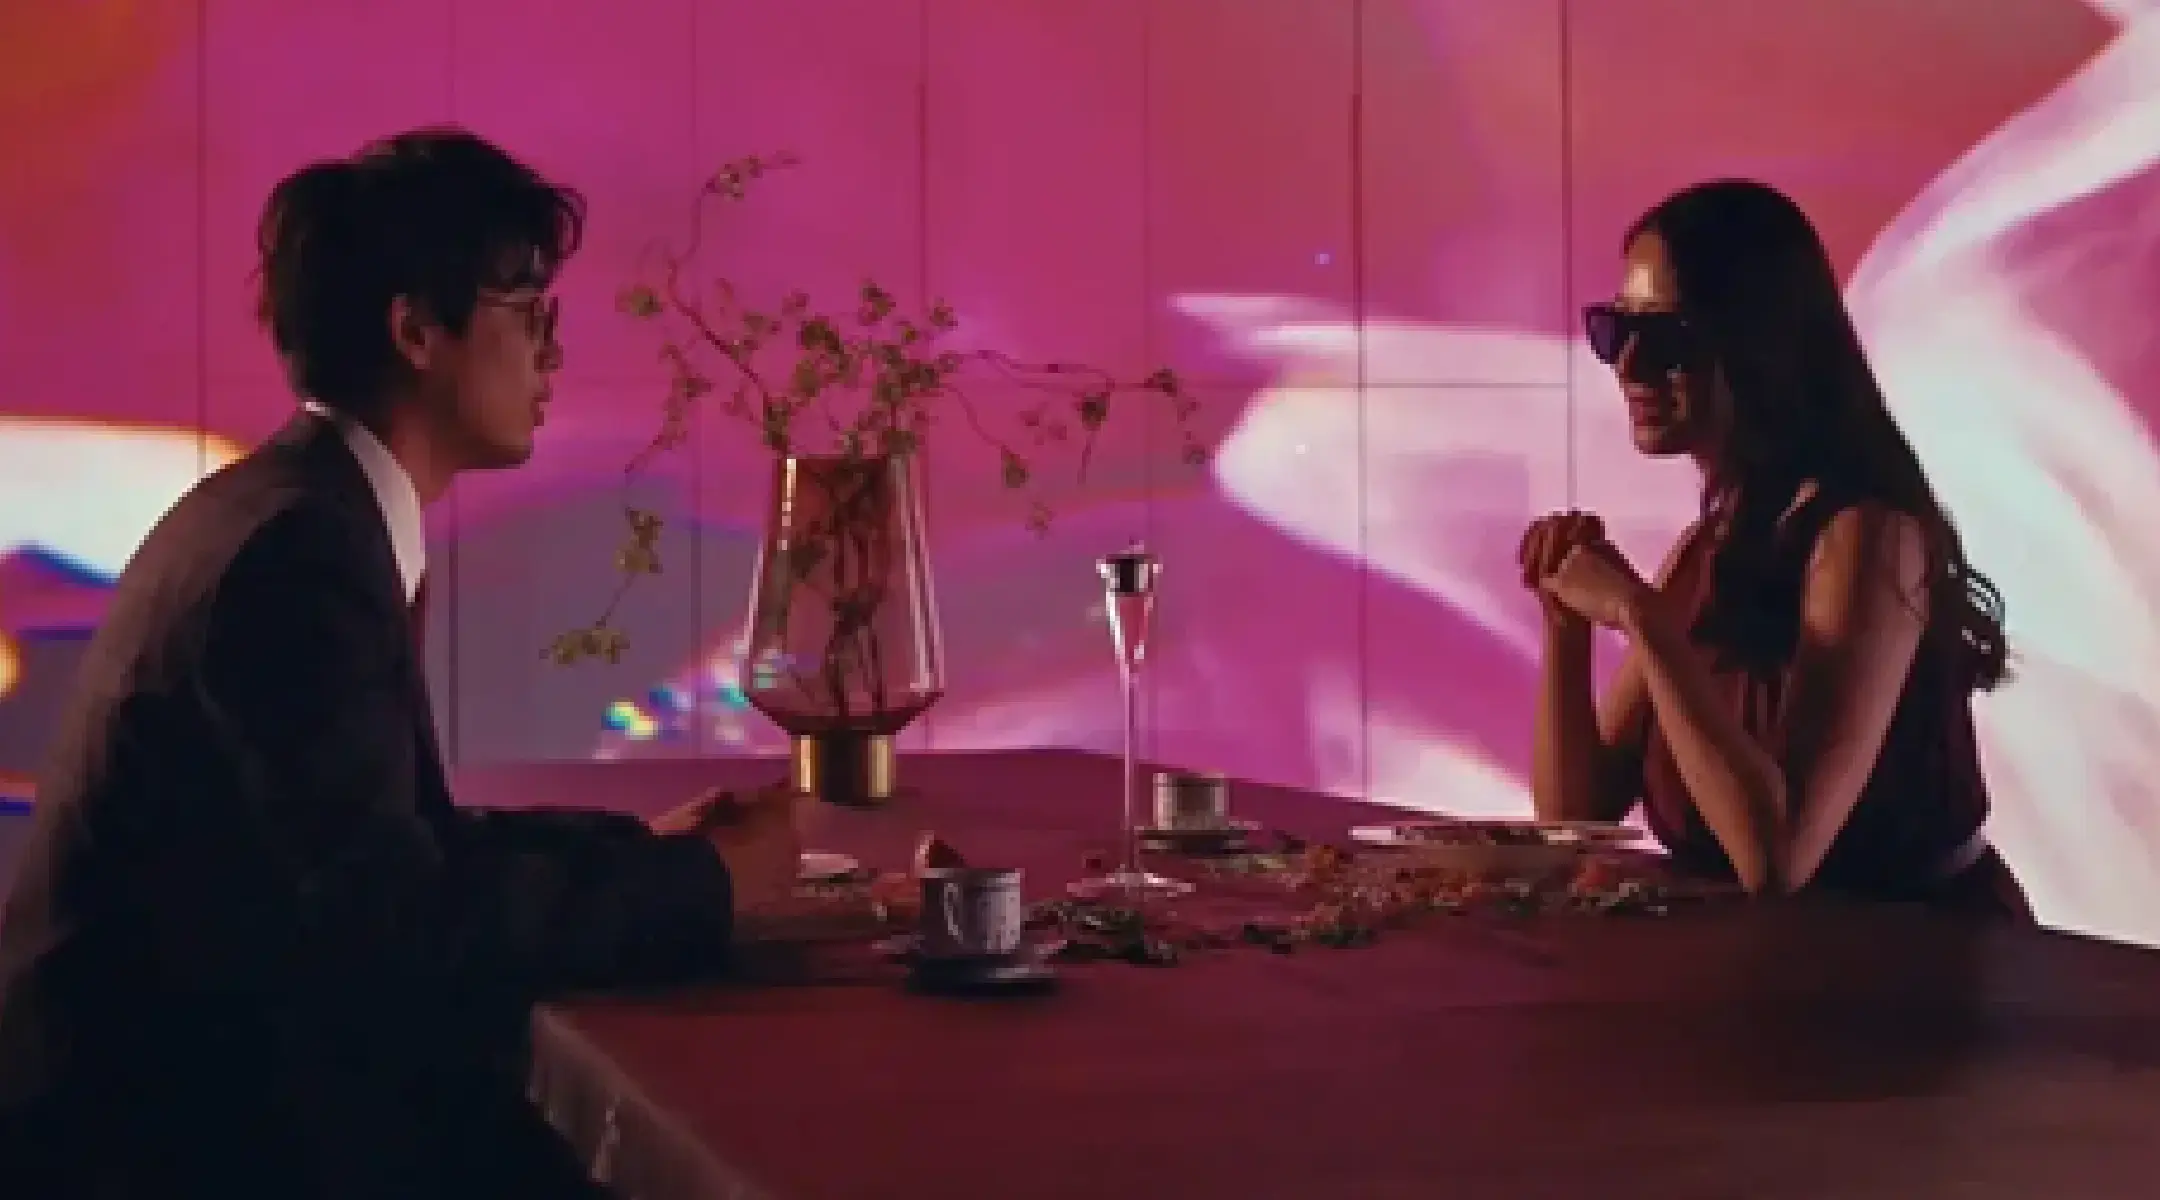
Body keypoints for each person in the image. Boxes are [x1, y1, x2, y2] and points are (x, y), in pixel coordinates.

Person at [0, 128, 806, 1198]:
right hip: (159, 1140)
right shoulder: (298, 554)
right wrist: (705, 889)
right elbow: (398, 923)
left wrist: (641, 851)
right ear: (417, 330)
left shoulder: (290, 507)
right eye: (530, 314)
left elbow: (393, 846)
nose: (553, 355)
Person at [1519, 178, 2028, 917]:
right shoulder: (1709, 545)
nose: (1627, 365)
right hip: (1777, 963)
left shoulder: (1864, 538)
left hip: (1916, 965)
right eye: (1614, 330)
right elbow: (1575, 818)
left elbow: (1780, 855)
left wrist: (1641, 616)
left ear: (1758, 345)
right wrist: (1565, 630)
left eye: (1665, 338)